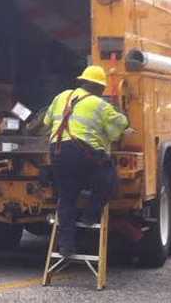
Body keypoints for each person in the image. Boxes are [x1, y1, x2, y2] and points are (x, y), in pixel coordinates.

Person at [44, 65, 129, 257]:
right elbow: (119, 127)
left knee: (66, 197)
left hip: (57, 152)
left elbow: (46, 123)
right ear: (99, 88)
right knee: (109, 181)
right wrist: (123, 115)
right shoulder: (100, 105)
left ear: (82, 81)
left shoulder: (61, 96)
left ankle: (66, 246)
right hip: (83, 153)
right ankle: (90, 216)